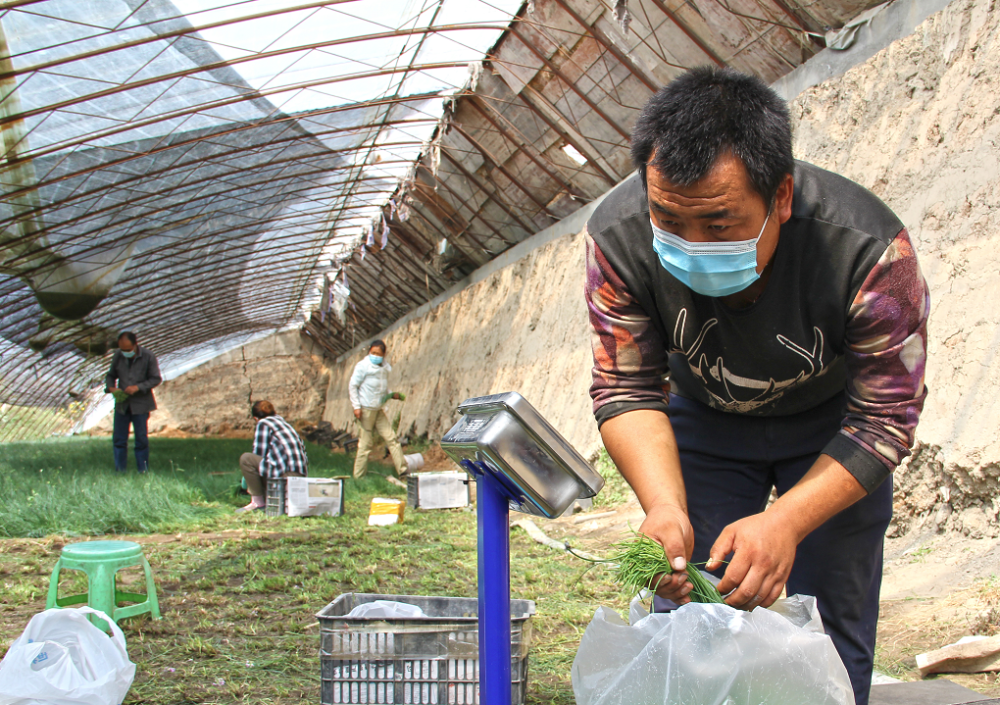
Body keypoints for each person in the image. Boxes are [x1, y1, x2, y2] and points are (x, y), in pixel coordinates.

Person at [585, 67, 928, 705]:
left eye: (719, 225)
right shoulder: (619, 238)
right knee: (694, 616)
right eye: (669, 220)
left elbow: (886, 415)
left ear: (783, 196)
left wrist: (788, 521)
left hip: (834, 432)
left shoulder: (870, 252)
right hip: (704, 422)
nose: (691, 245)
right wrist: (663, 506)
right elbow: (626, 385)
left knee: (829, 632)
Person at [104, 331, 162, 473]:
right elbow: (110, 375)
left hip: (141, 405)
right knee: (119, 438)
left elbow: (156, 379)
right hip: (122, 405)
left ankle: (143, 470)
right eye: (122, 349)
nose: (125, 352)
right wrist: (111, 388)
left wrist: (138, 387)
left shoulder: (148, 356)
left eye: (128, 350)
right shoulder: (118, 355)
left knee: (141, 439)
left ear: (135, 345)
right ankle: (120, 469)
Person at [349, 340, 407, 480]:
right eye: (372, 353)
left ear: (383, 354)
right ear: (369, 352)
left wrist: (392, 394)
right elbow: (353, 386)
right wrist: (356, 406)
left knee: (392, 439)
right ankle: (358, 477)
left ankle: (403, 471)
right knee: (365, 444)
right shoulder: (363, 366)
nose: (375, 355)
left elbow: (381, 388)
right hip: (366, 410)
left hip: (378, 409)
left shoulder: (384, 368)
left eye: (378, 353)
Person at [237, 400, 308, 513]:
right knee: (265, 467)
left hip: (283, 474)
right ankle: (271, 499)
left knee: (246, 459)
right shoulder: (284, 423)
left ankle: (257, 503)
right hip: (299, 474)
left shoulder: (263, 423)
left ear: (255, 418)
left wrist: (248, 480)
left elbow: (259, 453)